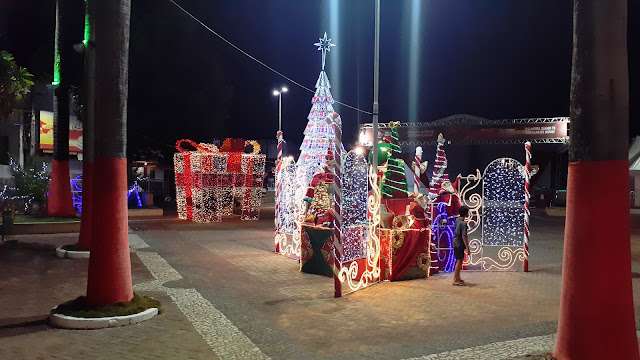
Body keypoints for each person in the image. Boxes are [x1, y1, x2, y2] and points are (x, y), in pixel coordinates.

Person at [453, 205, 470, 286]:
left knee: (459, 261)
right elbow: (464, 236)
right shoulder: (463, 223)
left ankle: (458, 278)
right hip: (459, 244)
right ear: (466, 213)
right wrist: (467, 248)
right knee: (459, 262)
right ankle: (455, 280)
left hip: (455, 243)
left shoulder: (457, 220)